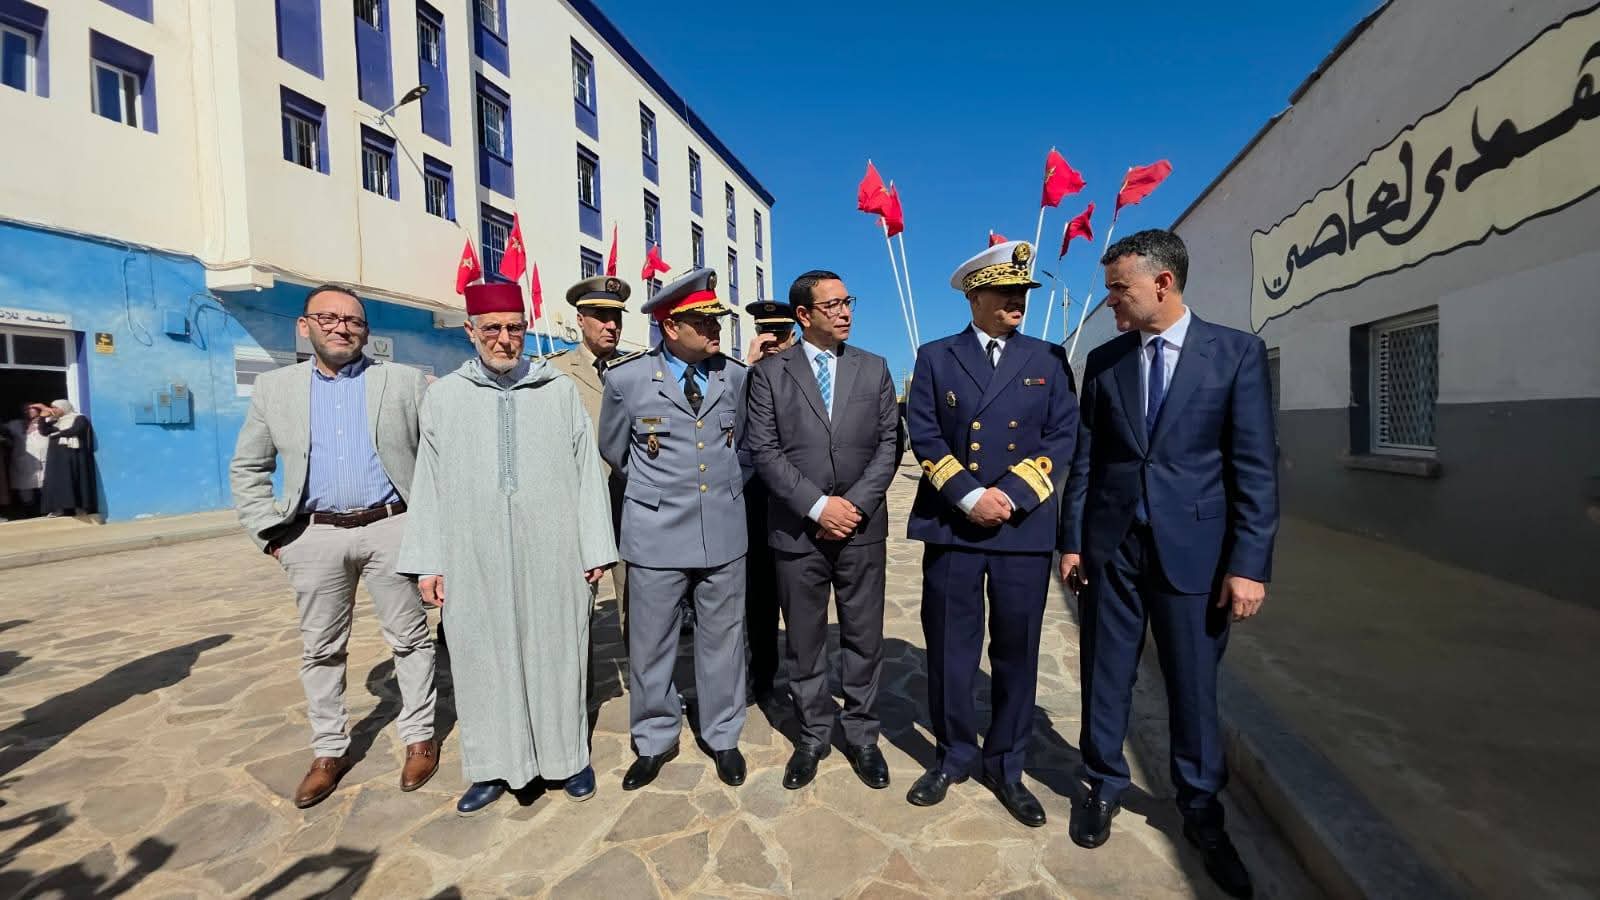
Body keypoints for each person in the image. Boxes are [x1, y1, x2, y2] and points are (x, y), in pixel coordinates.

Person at [1060, 229, 1277, 899]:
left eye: (1118, 288)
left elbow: (1255, 468)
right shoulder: (1105, 361)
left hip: (1196, 556)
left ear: (1163, 283)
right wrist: (1073, 541)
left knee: (1192, 685)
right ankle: (1102, 782)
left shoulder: (1234, 354)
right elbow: (1088, 460)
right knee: (1105, 674)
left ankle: (1201, 808)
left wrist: (1249, 564)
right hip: (1112, 549)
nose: (1110, 301)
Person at [397, 281, 618, 816]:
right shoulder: (445, 398)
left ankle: (568, 760)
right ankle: (493, 766)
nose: (504, 339)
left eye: (514, 328)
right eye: (492, 328)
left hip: (554, 551)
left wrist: (594, 546)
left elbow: (587, 473)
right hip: (472, 554)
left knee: (559, 653)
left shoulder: (557, 390)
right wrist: (428, 562)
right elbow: (428, 482)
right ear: (470, 331)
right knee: (481, 658)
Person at [229, 284, 438, 809]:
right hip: (313, 534)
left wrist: (433, 532)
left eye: (353, 321)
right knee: (321, 648)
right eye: (328, 318)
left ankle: (419, 737)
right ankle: (329, 751)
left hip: (393, 526)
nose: (341, 327)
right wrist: (271, 534)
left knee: (411, 639)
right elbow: (249, 467)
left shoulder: (402, 382)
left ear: (366, 331)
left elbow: (437, 460)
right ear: (304, 326)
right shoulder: (275, 389)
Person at [903, 240, 1078, 828]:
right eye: (1005, 292)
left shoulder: (1049, 357)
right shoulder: (936, 356)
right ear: (975, 296)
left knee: (1016, 652)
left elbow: (1062, 435)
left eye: (1022, 292)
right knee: (950, 650)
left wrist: (1013, 495)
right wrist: (970, 496)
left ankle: (1006, 764)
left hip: (1021, 528)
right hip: (955, 525)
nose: (1017, 302)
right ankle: (953, 755)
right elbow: (925, 434)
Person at [743, 271, 898, 791]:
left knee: (863, 637)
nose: (845, 312)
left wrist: (852, 506)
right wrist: (816, 506)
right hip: (796, 531)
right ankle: (812, 735)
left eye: (847, 301)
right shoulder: (770, 374)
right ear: (803, 315)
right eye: (831, 305)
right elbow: (764, 450)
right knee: (805, 640)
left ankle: (863, 735)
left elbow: (889, 445)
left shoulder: (874, 368)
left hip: (860, 528)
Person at [598, 268, 752, 791]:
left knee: (723, 641)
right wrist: (660, 492)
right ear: (670, 327)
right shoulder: (626, 380)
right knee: (651, 644)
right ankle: (654, 738)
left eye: (716, 320)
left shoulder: (735, 376)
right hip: (656, 533)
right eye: (703, 322)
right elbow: (616, 451)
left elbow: (744, 446)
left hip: (723, 531)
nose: (715, 329)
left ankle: (723, 734)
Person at [549, 275, 632, 636]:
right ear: (580, 319)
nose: (611, 325)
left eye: (617, 317)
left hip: (630, 506)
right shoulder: (553, 372)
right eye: (601, 316)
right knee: (577, 613)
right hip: (578, 508)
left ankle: (643, 675)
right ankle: (579, 675)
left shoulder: (637, 370)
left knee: (638, 611)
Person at [741, 298, 800, 706]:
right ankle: (762, 675)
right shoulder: (744, 378)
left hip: (798, 500)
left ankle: (804, 679)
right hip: (755, 499)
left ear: (793, 335)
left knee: (799, 600)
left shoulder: (806, 377)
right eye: (765, 333)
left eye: (779, 333)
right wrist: (749, 367)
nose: (772, 341)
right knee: (758, 597)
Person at [37, 400, 97, 517]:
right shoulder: (56, 421)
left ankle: (81, 507)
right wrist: (42, 418)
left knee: (75, 479)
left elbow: (76, 430)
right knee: (59, 481)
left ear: (64, 407)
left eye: (56, 407)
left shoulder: (79, 418)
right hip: (57, 457)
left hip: (74, 455)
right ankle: (63, 509)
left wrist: (58, 434)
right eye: (52, 407)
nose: (53, 410)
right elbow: (44, 431)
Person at [5, 404, 48, 518]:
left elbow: (57, 413)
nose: (28, 411)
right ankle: (30, 512)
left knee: (45, 484)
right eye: (26, 409)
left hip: (42, 459)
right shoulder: (15, 424)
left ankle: (47, 509)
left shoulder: (46, 421)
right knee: (24, 487)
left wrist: (43, 408)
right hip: (22, 461)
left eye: (31, 409)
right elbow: (3, 431)